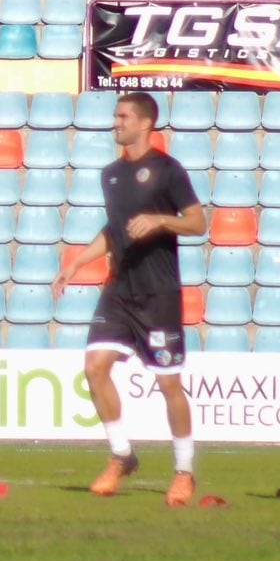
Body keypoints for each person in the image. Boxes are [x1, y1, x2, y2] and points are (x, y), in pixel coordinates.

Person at [53, 92, 207, 507]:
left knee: (169, 384)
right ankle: (122, 455)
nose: (116, 122)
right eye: (116, 116)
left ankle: (184, 471)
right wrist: (76, 263)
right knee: (94, 367)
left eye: (124, 117)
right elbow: (114, 229)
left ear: (145, 124)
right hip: (120, 291)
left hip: (159, 294)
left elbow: (198, 222)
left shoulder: (168, 171)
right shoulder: (111, 175)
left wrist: (160, 220)